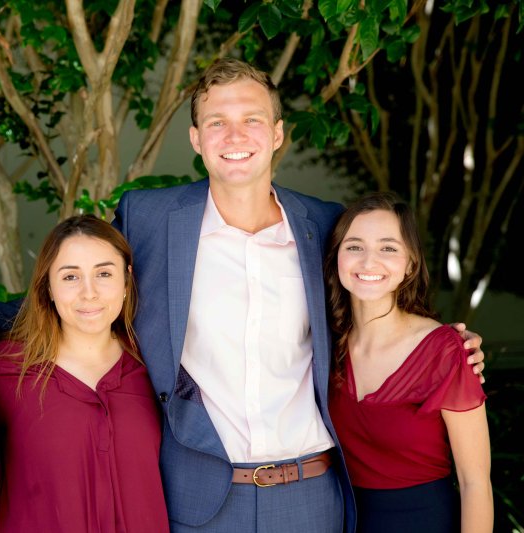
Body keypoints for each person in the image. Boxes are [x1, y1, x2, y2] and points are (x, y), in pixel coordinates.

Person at [108, 58, 485, 532]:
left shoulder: (324, 224)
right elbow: (80, 295)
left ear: (278, 133)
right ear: (196, 138)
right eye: (217, 122)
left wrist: (448, 348)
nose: (235, 136)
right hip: (198, 501)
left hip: (312, 497)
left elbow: (378, 302)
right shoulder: (149, 219)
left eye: (252, 120)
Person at [324, 192, 492, 533]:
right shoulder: (323, 343)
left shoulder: (445, 351)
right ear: (336, 258)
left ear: (410, 264)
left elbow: (474, 482)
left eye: (388, 247)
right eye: (354, 246)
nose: (369, 262)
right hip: (340, 519)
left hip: (424, 520)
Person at [0, 215, 169, 533]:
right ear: (48, 287)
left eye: (103, 273)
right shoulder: (4, 369)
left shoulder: (157, 365)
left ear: (126, 281)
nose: (89, 293)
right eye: (71, 277)